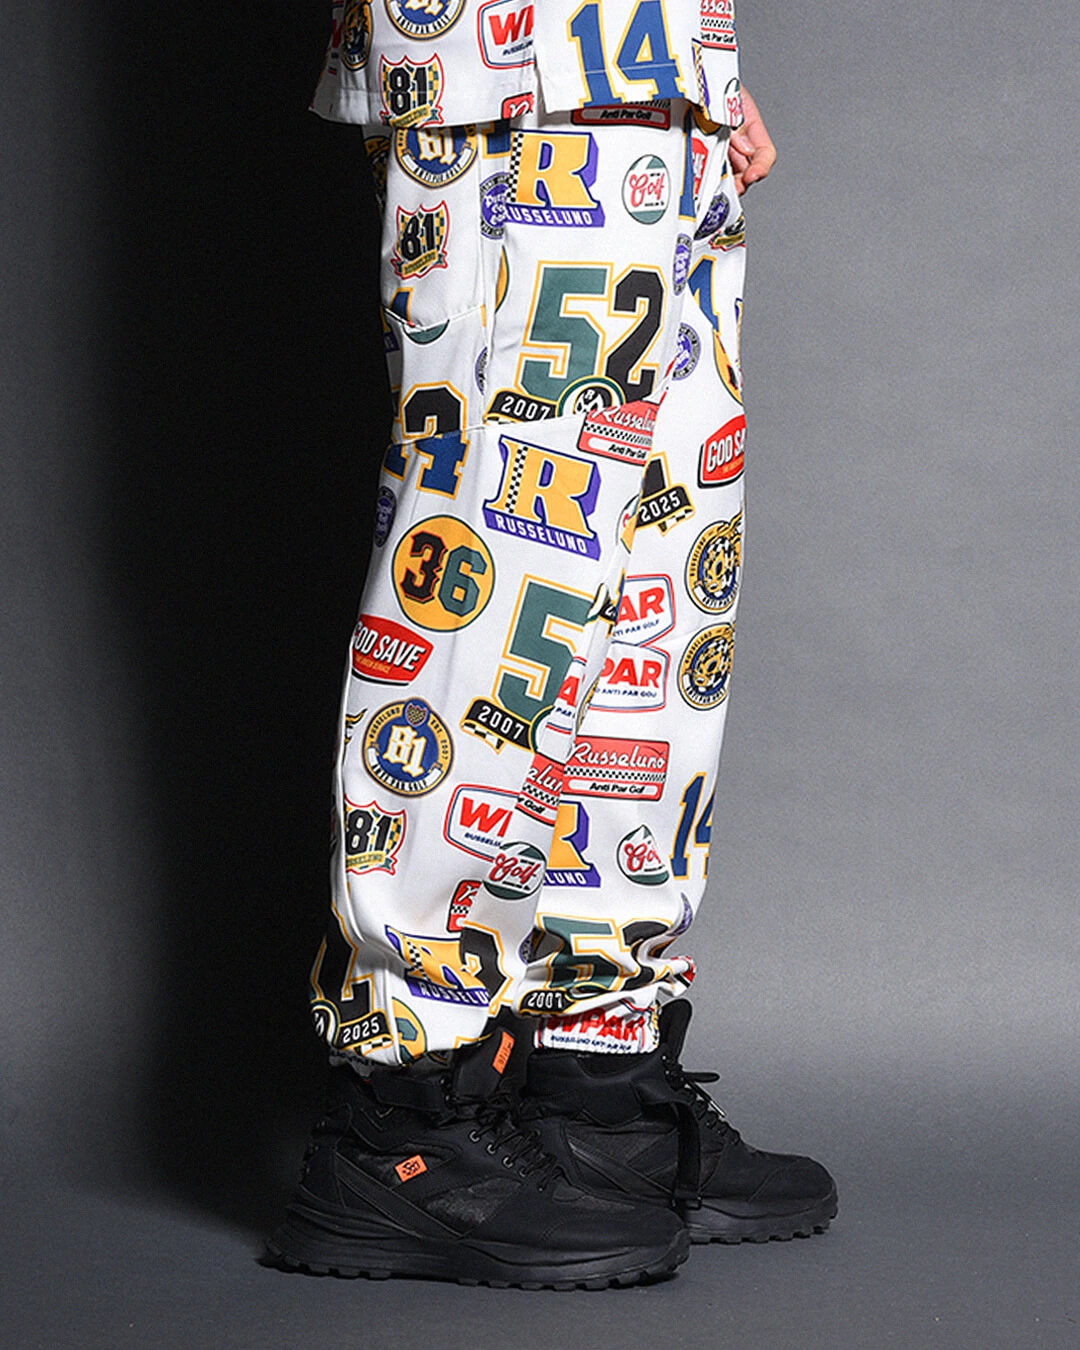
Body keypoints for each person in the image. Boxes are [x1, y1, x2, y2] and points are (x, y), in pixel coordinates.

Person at [267, 0, 837, 1289]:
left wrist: (691, 55)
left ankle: (594, 1087)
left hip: (657, 78)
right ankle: (401, 1115)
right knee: (500, 591)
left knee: (656, 595)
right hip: (505, 80)